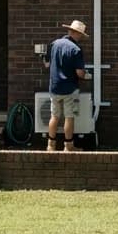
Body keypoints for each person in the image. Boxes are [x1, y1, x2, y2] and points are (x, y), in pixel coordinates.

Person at [45, 19, 89, 151]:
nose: (81, 37)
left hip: (54, 87)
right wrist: (86, 74)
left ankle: (50, 145)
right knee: (69, 117)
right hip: (70, 88)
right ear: (76, 33)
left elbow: (47, 64)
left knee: (54, 116)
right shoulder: (76, 49)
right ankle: (68, 146)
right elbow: (80, 73)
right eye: (81, 34)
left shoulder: (54, 44)